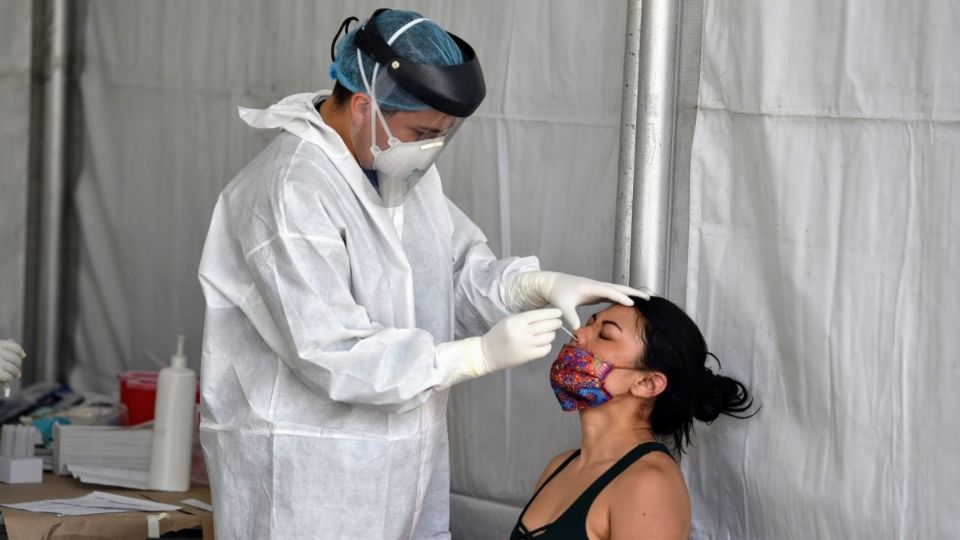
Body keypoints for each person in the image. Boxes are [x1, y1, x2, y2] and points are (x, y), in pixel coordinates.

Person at [197, 9, 646, 539]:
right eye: (423, 131)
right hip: (306, 478)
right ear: (364, 106)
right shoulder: (292, 190)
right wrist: (474, 355)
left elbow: (452, 275)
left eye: (443, 134)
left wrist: (530, 286)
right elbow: (330, 351)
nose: (431, 147)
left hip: (403, 468)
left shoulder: (395, 173)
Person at [511, 296, 754, 539]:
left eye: (605, 335)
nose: (579, 333)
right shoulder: (561, 465)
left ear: (647, 383)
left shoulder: (649, 484)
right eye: (589, 323)